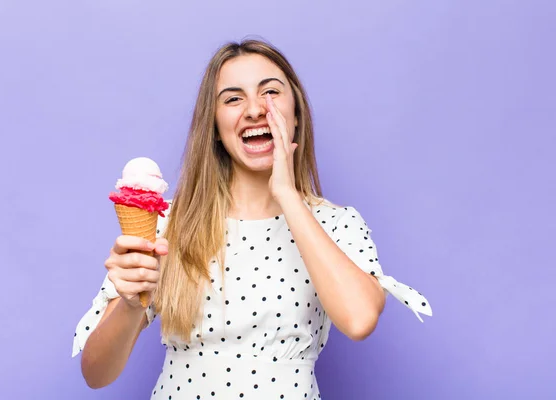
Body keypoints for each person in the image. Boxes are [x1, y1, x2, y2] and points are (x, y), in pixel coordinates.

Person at [72, 39, 432, 399]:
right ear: (214, 125)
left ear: (296, 115)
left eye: (270, 92)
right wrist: (132, 304)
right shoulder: (169, 224)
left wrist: (288, 195)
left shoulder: (338, 223)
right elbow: (96, 373)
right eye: (233, 98)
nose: (255, 109)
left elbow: (359, 319)